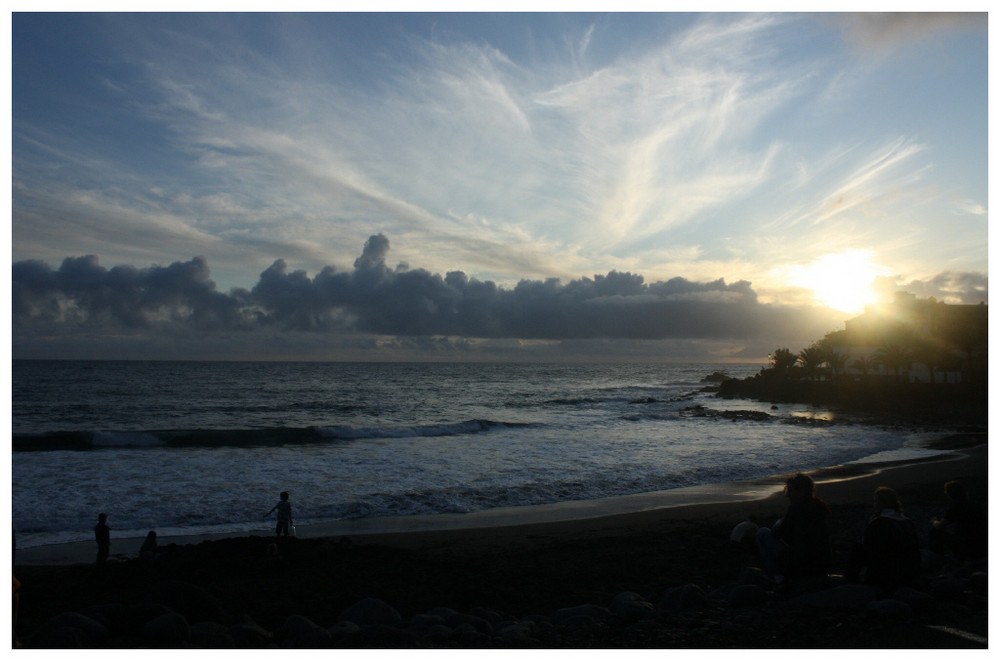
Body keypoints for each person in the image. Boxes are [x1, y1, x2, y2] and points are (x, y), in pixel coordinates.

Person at [756, 473, 831, 588]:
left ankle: (778, 578)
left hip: (801, 566)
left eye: (789, 491)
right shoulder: (819, 507)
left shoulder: (797, 509)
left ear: (801, 492)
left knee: (762, 533)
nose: (787, 495)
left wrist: (779, 523)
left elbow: (777, 534)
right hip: (820, 566)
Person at [846, 487, 921, 593]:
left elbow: (869, 546)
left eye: (876, 501)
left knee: (857, 548)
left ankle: (851, 579)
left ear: (880, 503)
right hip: (908, 568)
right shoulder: (906, 521)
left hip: (887, 570)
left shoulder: (880, 523)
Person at [929, 480, 987, 561]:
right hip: (983, 543)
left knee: (935, 532)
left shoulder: (956, 508)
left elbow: (940, 526)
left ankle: (939, 558)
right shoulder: (975, 505)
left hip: (966, 545)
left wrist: (934, 521)